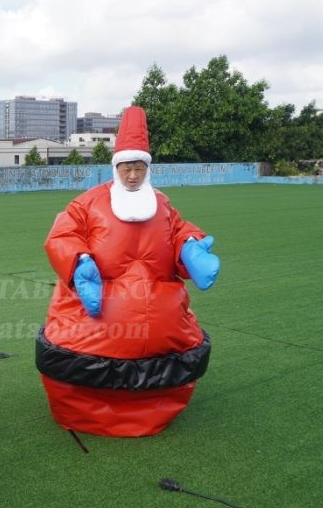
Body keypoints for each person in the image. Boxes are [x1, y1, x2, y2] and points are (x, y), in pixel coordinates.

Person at [35, 105, 219, 438]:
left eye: (138, 169)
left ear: (147, 169)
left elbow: (177, 229)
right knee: (83, 346)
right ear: (115, 168)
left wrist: (190, 248)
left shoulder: (162, 205)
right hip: (96, 310)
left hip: (158, 317)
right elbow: (62, 234)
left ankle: (150, 408)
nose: (132, 176)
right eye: (126, 169)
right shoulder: (88, 203)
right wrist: (79, 263)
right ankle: (88, 412)